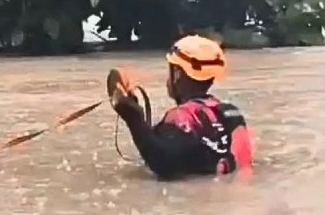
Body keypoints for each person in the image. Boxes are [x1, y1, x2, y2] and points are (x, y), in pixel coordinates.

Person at [109, 35, 255, 180]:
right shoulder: (232, 112)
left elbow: (163, 163)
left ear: (177, 73)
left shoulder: (180, 117)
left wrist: (133, 118)